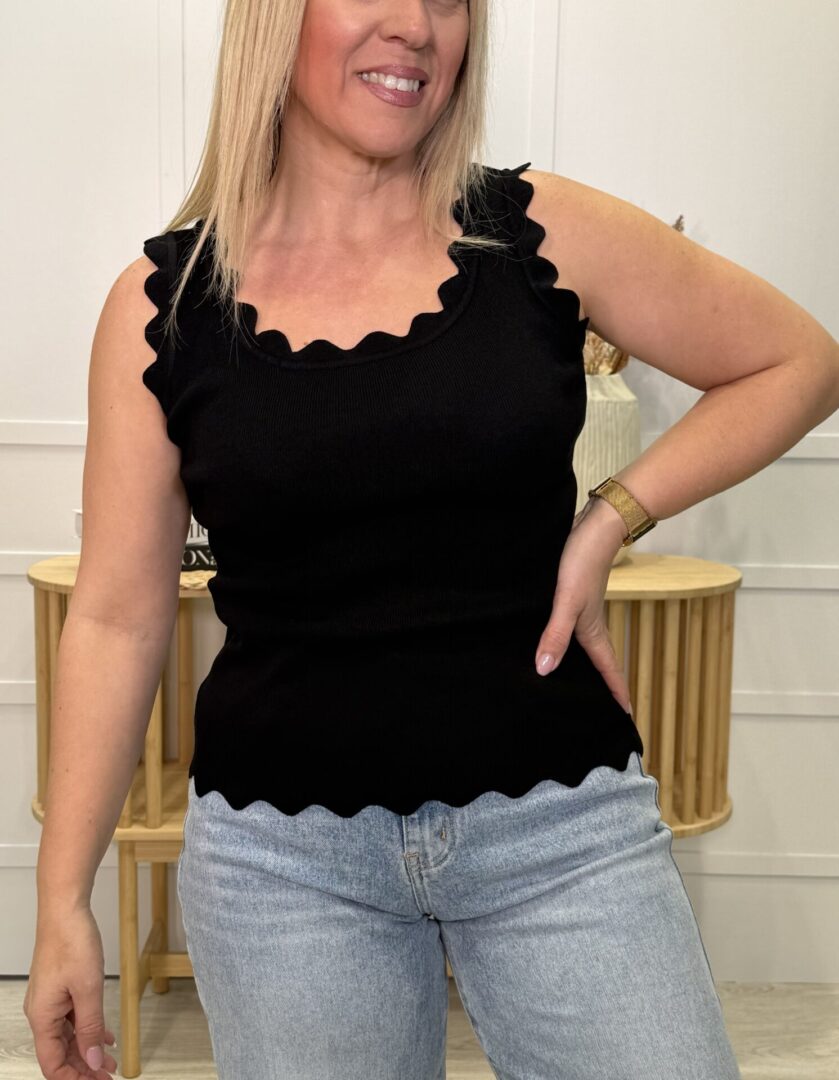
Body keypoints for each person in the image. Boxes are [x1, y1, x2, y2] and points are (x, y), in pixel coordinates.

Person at [23, 1, 839, 1078]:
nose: (415, 24)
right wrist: (61, 901)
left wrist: (609, 516)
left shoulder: (537, 233)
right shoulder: (161, 310)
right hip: (282, 865)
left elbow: (795, 361)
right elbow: (118, 620)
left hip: (560, 830)